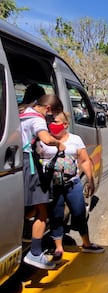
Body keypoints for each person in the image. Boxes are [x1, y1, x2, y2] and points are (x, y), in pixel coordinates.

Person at [40, 112, 104, 263]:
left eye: (55, 121)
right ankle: (58, 248)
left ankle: (86, 243)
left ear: (65, 124)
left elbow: (84, 160)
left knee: (79, 213)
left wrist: (90, 180)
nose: (52, 124)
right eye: (51, 121)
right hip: (53, 185)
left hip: (72, 184)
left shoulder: (75, 140)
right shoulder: (44, 139)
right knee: (56, 216)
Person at [20, 94, 65, 269]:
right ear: (47, 109)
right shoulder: (37, 119)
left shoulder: (23, 112)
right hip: (29, 164)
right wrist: (58, 143)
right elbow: (46, 138)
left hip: (20, 161)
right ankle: (35, 253)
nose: (51, 119)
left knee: (29, 205)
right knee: (42, 209)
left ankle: (26, 231)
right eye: (52, 115)